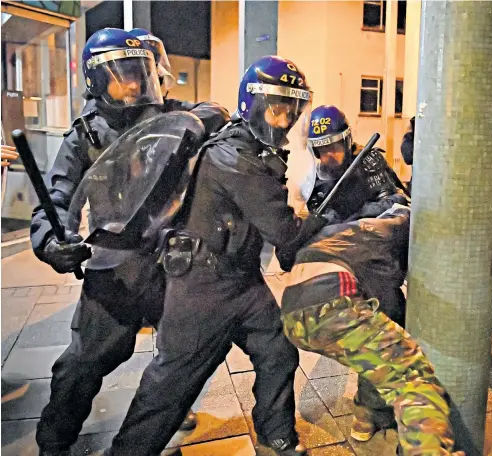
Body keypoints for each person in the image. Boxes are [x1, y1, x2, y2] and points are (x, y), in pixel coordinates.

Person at [103, 56, 327, 456]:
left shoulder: (253, 148)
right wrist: (318, 217)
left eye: (292, 109)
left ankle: (277, 437)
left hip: (240, 279)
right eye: (277, 108)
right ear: (252, 105)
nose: (285, 119)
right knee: (171, 384)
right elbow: (283, 230)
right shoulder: (235, 158)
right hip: (201, 288)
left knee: (277, 351)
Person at [30, 28, 230, 456]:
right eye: (121, 75)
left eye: (141, 73)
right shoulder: (85, 136)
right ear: (98, 82)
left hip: (175, 261)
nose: (133, 84)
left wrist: (193, 124)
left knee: (181, 354)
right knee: (81, 365)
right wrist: (52, 241)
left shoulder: (172, 116)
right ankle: (54, 441)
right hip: (117, 265)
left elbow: (215, 111)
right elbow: (56, 198)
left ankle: (166, 416)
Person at [280, 204, 464, 456]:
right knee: (411, 377)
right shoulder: (386, 238)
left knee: (373, 353)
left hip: (294, 317)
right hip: (332, 305)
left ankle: (365, 417)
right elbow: (387, 305)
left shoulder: (352, 232)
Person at [304, 104, 407, 440]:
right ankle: (377, 402)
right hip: (341, 265)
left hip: (377, 261)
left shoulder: (369, 162)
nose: (329, 155)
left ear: (347, 141)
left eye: (334, 146)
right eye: (321, 149)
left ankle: (370, 408)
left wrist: (354, 220)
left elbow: (395, 203)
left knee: (386, 323)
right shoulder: (313, 178)